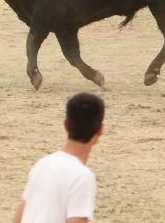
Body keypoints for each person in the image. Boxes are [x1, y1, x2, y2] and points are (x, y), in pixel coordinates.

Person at [13, 92, 104, 223]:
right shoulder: (82, 177)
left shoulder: (43, 164)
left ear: (65, 125)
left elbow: (19, 218)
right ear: (100, 130)